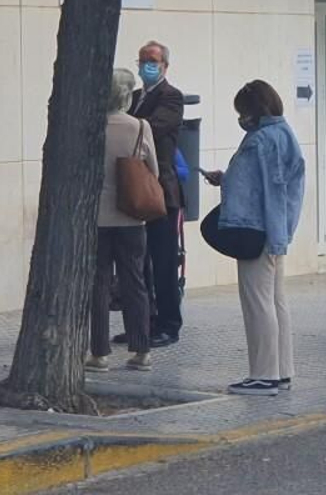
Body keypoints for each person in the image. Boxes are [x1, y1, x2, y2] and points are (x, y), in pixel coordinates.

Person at [204, 80, 306, 395]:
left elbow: (271, 191)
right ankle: (281, 371)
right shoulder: (283, 133)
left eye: (242, 111)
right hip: (273, 231)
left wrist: (274, 236)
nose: (241, 118)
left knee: (258, 303)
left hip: (257, 231)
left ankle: (264, 375)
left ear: (254, 109)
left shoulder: (261, 140)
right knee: (275, 301)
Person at [87, 68, 158, 373]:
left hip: (97, 219)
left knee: (98, 285)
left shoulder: (91, 127)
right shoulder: (140, 127)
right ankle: (142, 351)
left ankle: (99, 354)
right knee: (135, 283)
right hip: (132, 218)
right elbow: (153, 172)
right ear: (127, 95)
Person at [128, 41, 184, 348]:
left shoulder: (171, 96)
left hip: (160, 191)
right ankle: (144, 322)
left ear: (165, 66)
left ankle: (169, 324)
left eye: (152, 61)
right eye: (142, 61)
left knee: (163, 261)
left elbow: (151, 129)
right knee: (140, 262)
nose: (146, 66)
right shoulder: (134, 97)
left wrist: (122, 126)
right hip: (134, 189)